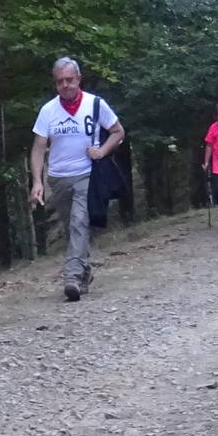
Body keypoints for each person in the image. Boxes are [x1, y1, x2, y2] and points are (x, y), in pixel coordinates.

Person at [29, 57, 125, 300]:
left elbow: (118, 131)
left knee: (79, 222)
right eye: (60, 81)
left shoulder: (95, 104)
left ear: (78, 79)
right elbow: (39, 148)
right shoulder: (48, 111)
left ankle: (71, 276)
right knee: (72, 227)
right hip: (58, 179)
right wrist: (38, 182)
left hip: (86, 174)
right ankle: (84, 271)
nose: (65, 85)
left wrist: (102, 151)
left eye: (69, 80)